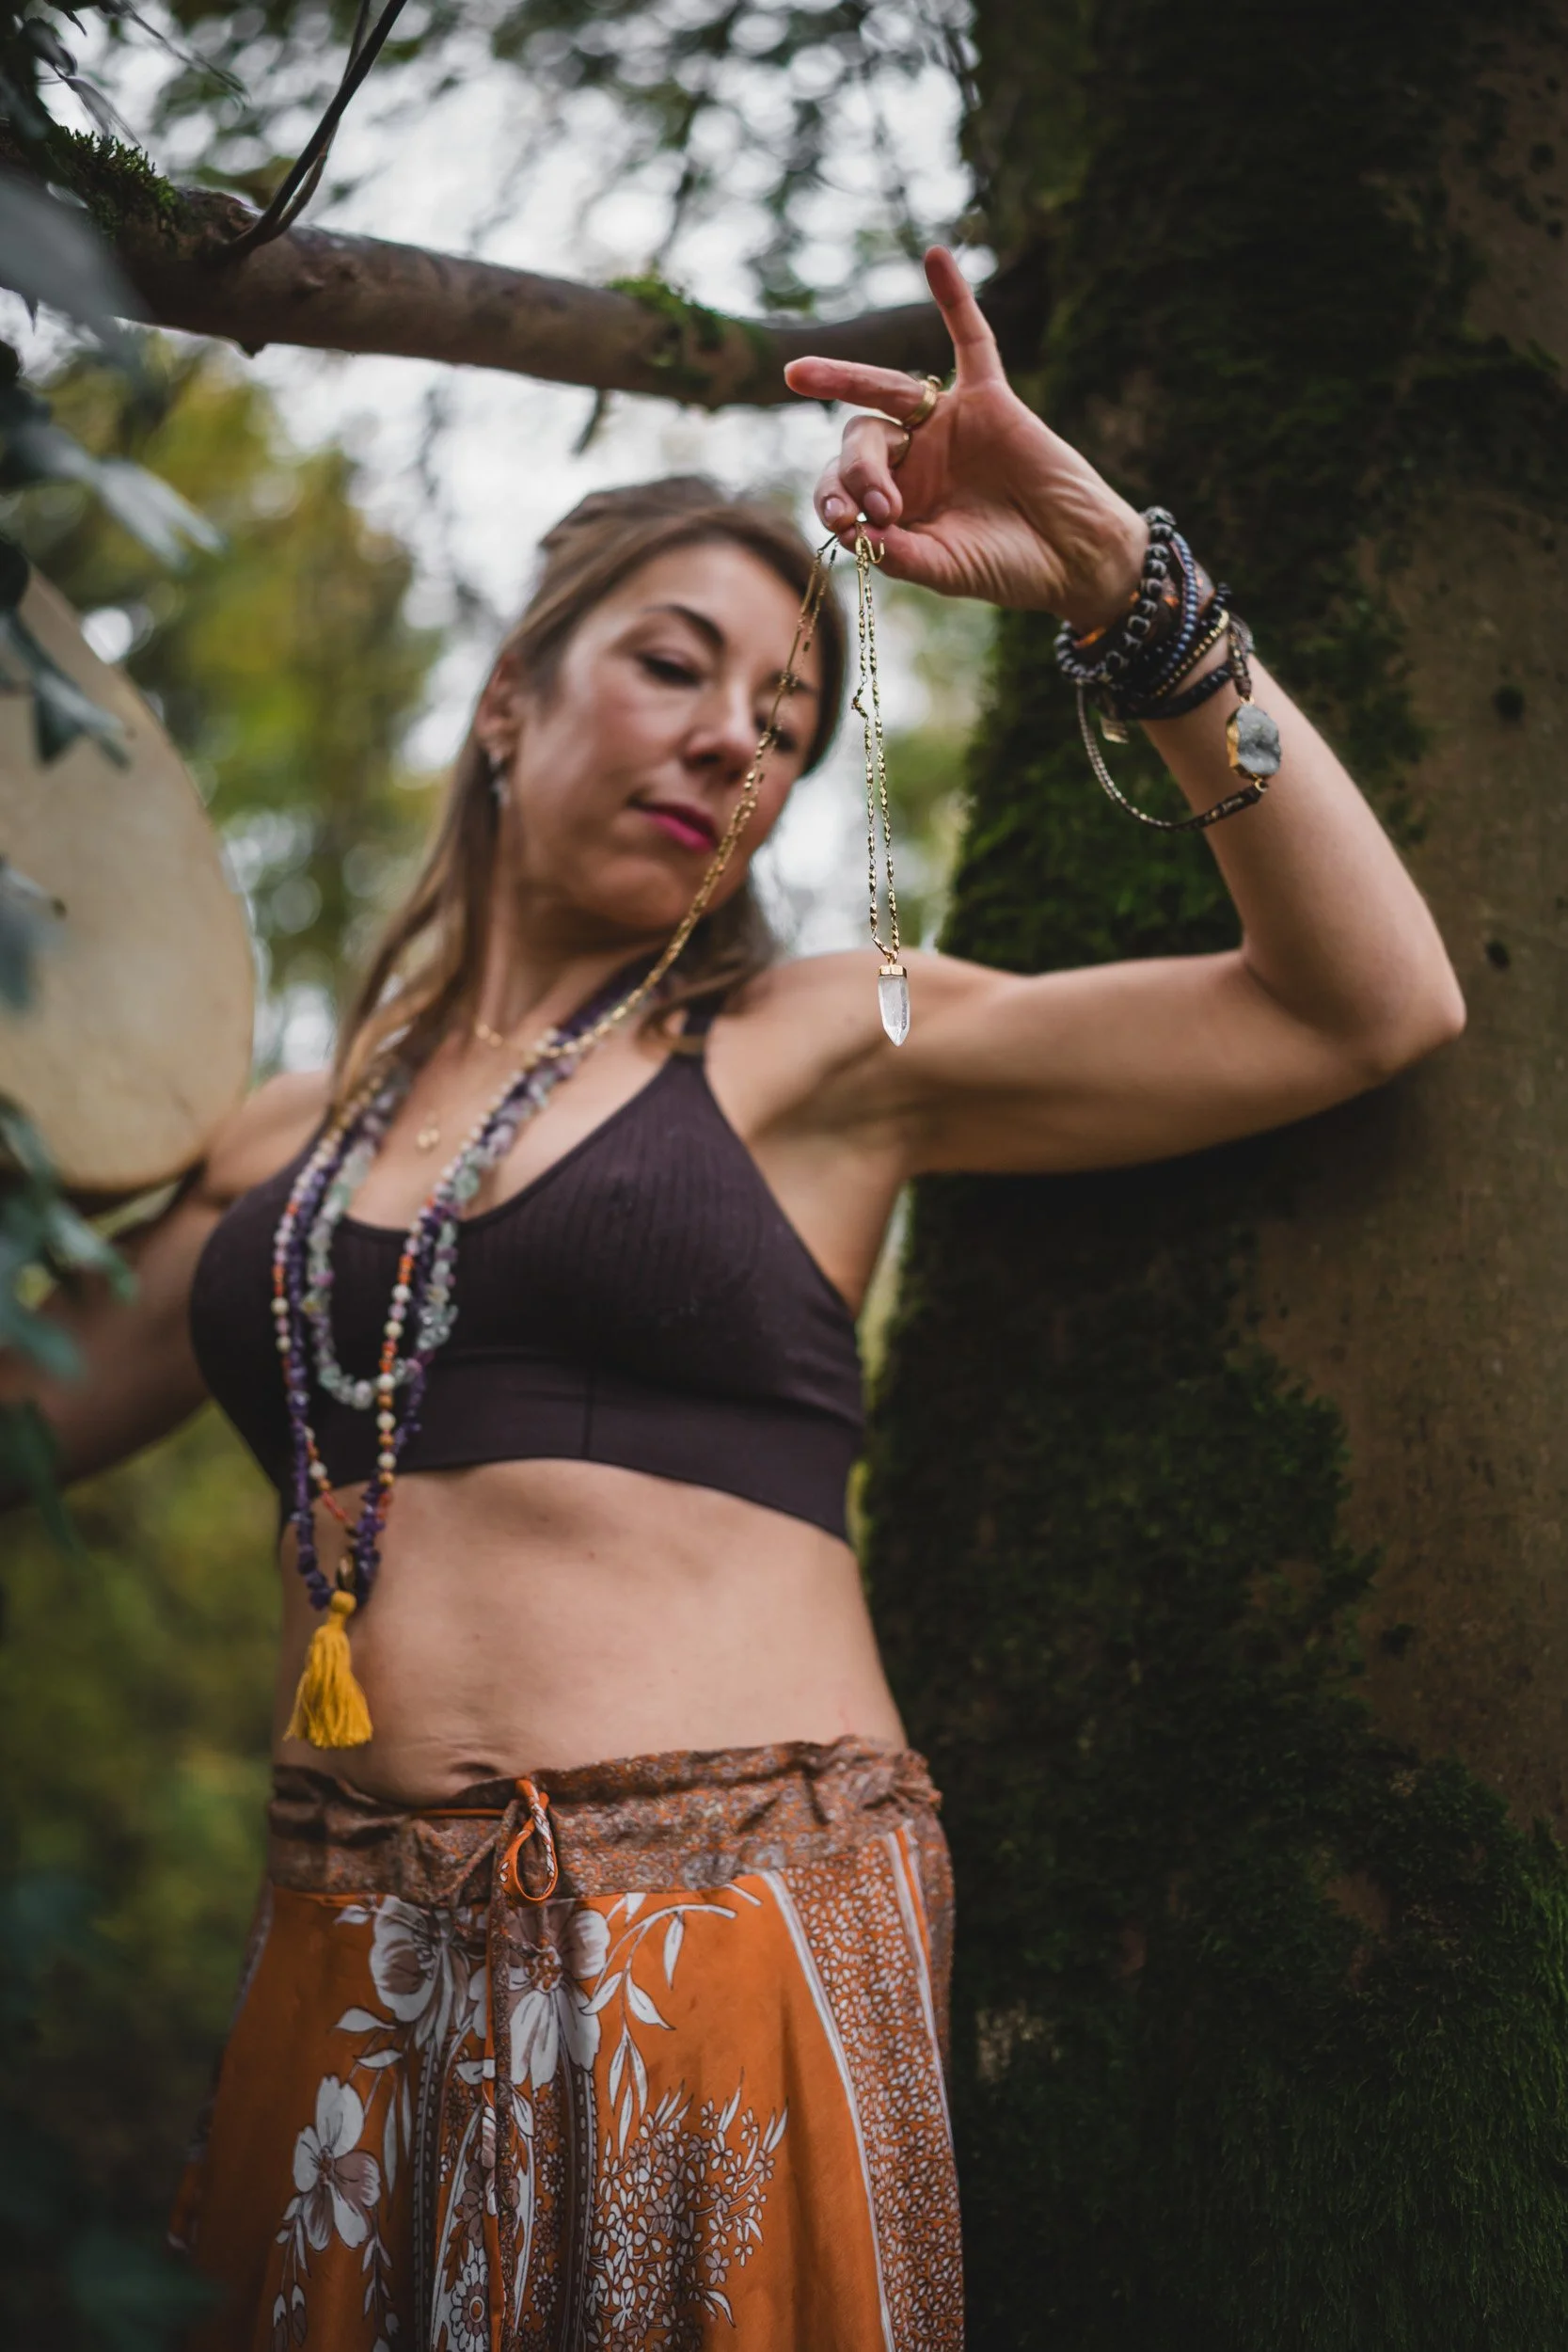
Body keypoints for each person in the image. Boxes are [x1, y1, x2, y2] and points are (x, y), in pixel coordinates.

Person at [7, 248, 1464, 2351]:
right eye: (672, 665)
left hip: (723, 1929)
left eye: (782, 718)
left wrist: (1122, 591)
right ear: (509, 696)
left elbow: (1364, 1005)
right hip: (339, 1953)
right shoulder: (271, 1134)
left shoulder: (803, 1045)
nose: (726, 737)